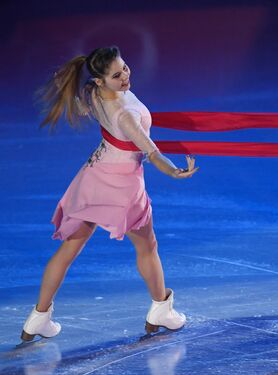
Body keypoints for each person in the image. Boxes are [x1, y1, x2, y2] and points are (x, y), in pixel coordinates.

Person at [21, 46, 198, 341]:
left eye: (125, 68)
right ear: (102, 80)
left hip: (92, 177)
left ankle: (38, 318)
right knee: (147, 247)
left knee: (68, 250)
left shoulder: (92, 91)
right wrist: (177, 172)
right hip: (123, 186)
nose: (125, 76)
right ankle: (161, 310)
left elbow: (82, 106)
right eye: (117, 75)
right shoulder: (125, 114)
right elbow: (153, 155)